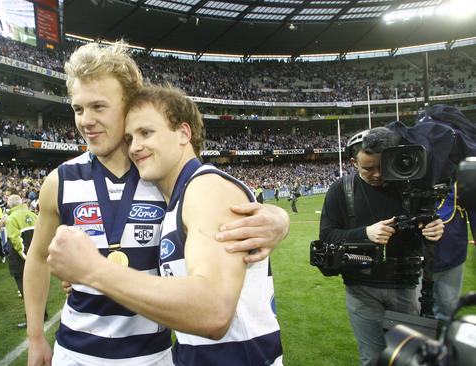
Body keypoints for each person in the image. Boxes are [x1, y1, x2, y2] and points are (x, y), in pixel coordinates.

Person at [24, 41, 289, 366]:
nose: (86, 120)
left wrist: (276, 219)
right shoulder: (60, 181)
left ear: (128, 105)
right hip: (74, 353)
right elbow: (37, 257)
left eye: (99, 107)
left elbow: (214, 201)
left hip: (154, 355)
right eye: (78, 109)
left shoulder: (161, 176)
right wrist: (36, 335)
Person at [319, 128, 445, 366]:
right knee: (373, 359)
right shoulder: (340, 190)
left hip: (406, 286)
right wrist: (365, 233)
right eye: (368, 168)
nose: (377, 174)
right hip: (361, 289)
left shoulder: (410, 187)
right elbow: (326, 237)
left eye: (381, 166)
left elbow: (426, 228)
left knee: (409, 360)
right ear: (353, 162)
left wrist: (434, 229)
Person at [432, 183, 475, 321]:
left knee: (448, 306)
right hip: (413, 257)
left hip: (451, 255)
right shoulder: (405, 174)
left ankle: (444, 338)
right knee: (413, 311)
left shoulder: (460, 182)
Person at [4, 194, 37, 328]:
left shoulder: (11, 219)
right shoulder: (33, 215)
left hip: (22, 261)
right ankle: (42, 315)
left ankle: (32, 321)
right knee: (36, 290)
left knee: (27, 293)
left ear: (9, 205)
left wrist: (27, 258)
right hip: (35, 259)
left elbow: (17, 241)